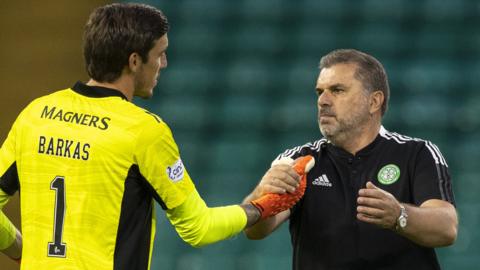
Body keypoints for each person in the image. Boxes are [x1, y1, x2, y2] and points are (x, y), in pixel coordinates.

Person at [0, 3, 311, 269]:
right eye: (160, 54)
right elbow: (198, 228)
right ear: (135, 61)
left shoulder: (36, 113)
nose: (164, 63)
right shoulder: (142, 130)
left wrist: (22, 250)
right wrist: (260, 207)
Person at [243, 49, 458, 270]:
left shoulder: (417, 153)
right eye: (319, 92)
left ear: (374, 102)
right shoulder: (298, 160)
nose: (323, 101)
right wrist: (261, 192)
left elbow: (446, 228)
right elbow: (256, 231)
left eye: (337, 90)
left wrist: (398, 216)